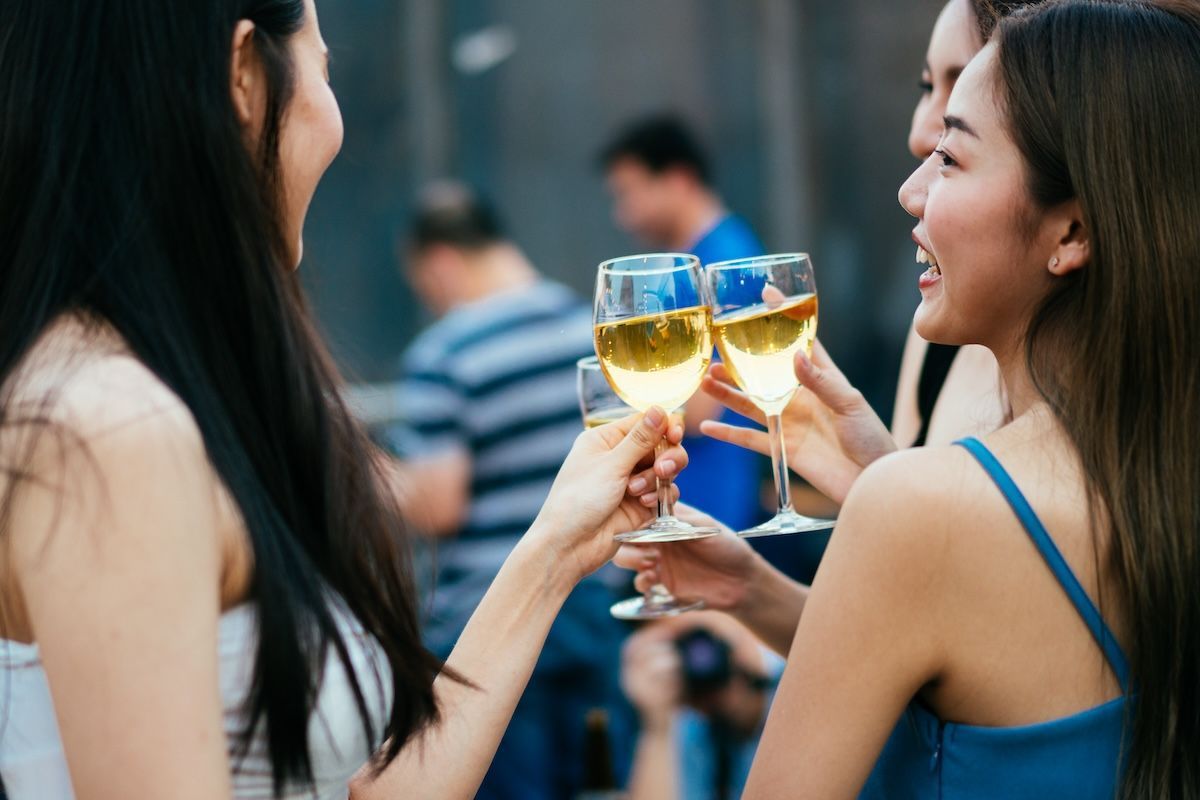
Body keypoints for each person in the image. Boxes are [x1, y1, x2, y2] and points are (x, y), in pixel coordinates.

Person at [0, 2, 688, 798]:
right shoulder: (111, 428)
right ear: (244, 76)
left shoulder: (136, 399)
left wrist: (556, 549)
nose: (337, 121)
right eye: (325, 70)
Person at [625, 0, 1200, 795]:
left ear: (1071, 233)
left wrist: (894, 504)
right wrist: (756, 587)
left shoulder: (924, 509)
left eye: (953, 158)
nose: (909, 188)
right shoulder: (1149, 476)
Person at [387, 182, 631, 798]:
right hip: (590, 611)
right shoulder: (588, 327)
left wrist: (367, 470)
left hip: (488, 631)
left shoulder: (444, 352)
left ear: (440, 262)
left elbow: (438, 504)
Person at [598, 115, 769, 534]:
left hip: (714, 505)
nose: (623, 216)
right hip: (689, 501)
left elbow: (705, 399)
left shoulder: (723, 261)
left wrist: (612, 403)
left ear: (677, 179)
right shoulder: (697, 259)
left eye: (628, 194)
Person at [621, 613, 782, 800]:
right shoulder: (689, 724)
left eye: (699, 636)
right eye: (680, 647)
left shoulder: (794, 674)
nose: (698, 658)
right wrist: (657, 728)